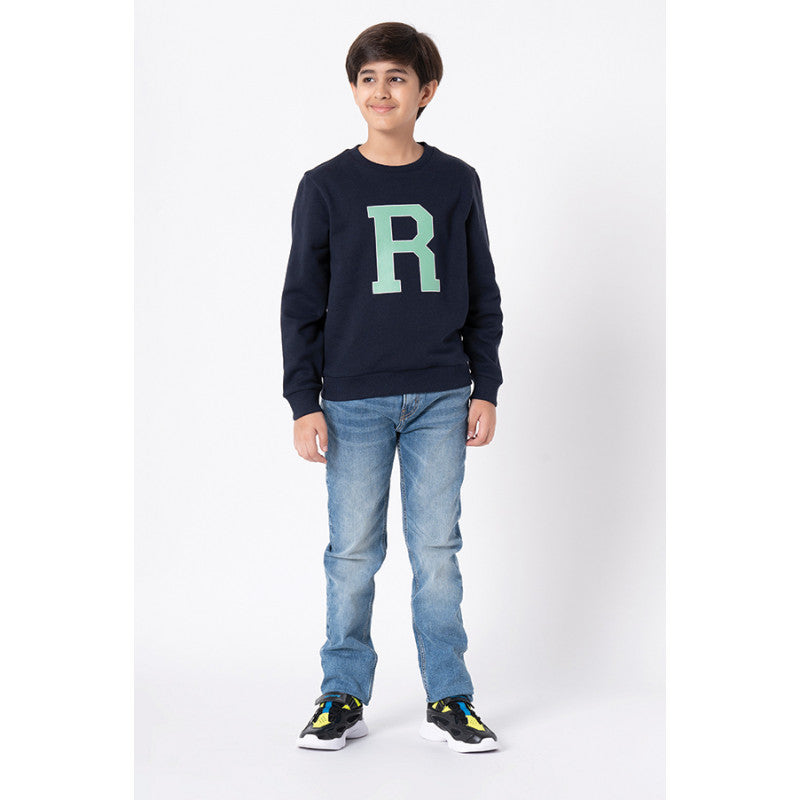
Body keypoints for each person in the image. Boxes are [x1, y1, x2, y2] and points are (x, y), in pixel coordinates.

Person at [281, 22, 503, 754]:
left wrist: (485, 385)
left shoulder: (456, 181)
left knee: (437, 550)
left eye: (397, 78)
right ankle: (341, 692)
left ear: (426, 90)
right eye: (368, 78)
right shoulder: (325, 186)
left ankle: (450, 696)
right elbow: (301, 301)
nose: (381, 91)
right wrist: (304, 401)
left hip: (442, 394)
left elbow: (482, 290)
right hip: (353, 401)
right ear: (354, 89)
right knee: (352, 552)